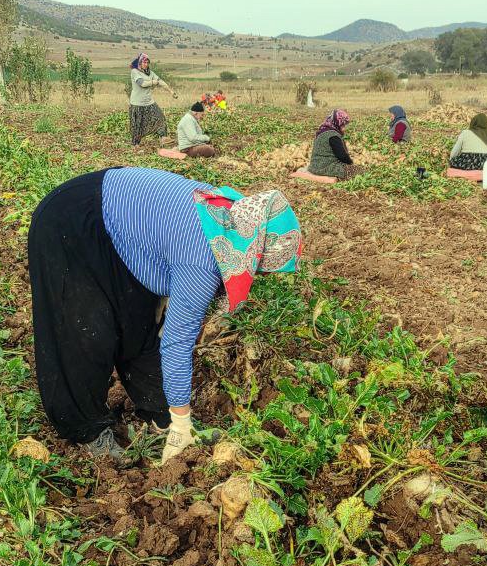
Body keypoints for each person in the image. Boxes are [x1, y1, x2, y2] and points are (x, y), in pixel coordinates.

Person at [27, 167, 302, 465]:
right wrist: (184, 422)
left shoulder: (226, 217)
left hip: (119, 227)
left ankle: (161, 414)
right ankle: (87, 430)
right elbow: (176, 343)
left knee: (139, 323)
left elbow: (165, 242)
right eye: (262, 268)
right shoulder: (203, 260)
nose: (257, 274)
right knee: (85, 329)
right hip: (73, 219)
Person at [129, 53, 176, 146]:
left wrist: (171, 91)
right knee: (138, 125)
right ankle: (135, 144)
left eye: (147, 62)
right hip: (137, 103)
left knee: (160, 117)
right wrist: (154, 82)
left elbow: (161, 82)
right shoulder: (135, 72)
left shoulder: (150, 73)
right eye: (144, 62)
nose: (146, 64)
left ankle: (163, 137)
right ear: (140, 62)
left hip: (149, 102)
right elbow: (142, 84)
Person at [307, 109, 358, 180]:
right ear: (337, 123)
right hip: (325, 168)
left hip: (314, 166)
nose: (344, 129)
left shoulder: (323, 130)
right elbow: (342, 156)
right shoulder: (333, 136)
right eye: (343, 126)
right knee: (360, 170)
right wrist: (351, 164)